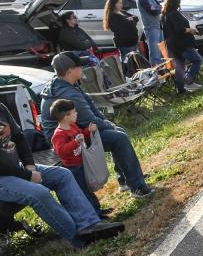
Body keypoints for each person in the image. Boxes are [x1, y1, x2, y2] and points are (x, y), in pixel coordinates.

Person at [1, 101, 122, 248]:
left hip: (17, 167)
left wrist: (30, 167)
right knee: (40, 194)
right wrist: (28, 176)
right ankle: (79, 239)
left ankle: (88, 225)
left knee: (62, 175)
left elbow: (19, 137)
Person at [39, 52, 154, 198]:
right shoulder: (67, 92)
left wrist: (107, 123)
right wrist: (108, 125)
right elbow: (89, 121)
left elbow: (91, 109)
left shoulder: (66, 83)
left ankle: (126, 180)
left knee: (118, 133)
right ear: (69, 71)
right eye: (79, 67)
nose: (82, 69)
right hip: (67, 140)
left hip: (75, 131)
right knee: (118, 138)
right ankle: (137, 187)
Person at [49, 99, 105, 214]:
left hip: (82, 162)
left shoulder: (73, 126)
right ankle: (95, 213)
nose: (76, 113)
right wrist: (75, 142)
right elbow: (61, 151)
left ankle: (98, 210)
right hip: (74, 168)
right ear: (66, 116)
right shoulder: (59, 134)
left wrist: (88, 131)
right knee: (83, 190)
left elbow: (81, 135)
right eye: (74, 112)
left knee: (88, 188)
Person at [160, 0, 203, 93]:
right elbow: (179, 29)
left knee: (180, 66)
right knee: (197, 60)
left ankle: (180, 89)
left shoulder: (163, 15)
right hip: (182, 43)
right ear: (177, 3)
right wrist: (190, 30)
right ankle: (188, 79)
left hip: (171, 45)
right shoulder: (174, 14)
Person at [136, 0, 164, 66]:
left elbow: (160, 7)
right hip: (151, 28)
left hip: (159, 26)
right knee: (155, 53)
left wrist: (157, 8)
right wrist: (157, 8)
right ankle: (156, 74)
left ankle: (164, 72)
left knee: (161, 51)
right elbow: (154, 11)